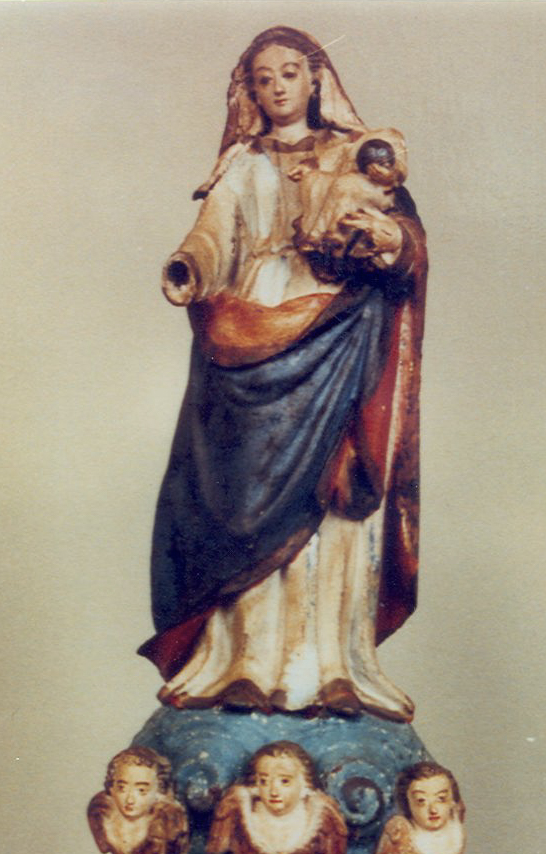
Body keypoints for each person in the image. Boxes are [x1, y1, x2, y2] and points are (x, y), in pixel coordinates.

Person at [139, 27, 427, 722]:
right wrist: (190, 266)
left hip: (336, 330)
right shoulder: (243, 164)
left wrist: (387, 242)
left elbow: (404, 241)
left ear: (316, 79)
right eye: (263, 78)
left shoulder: (354, 155)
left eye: (289, 73)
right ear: (249, 92)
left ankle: (329, 665)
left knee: (329, 499)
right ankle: (241, 664)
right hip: (250, 329)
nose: (277, 88)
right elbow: (214, 234)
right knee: (242, 499)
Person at [206, 741, 348, 854]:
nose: (273, 791)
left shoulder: (318, 815)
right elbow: (214, 850)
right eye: (264, 781)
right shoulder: (244, 814)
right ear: (255, 786)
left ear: (305, 785)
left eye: (284, 781)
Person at [291, 129, 407, 264]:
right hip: (349, 182)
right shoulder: (338, 142)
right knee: (313, 179)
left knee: (345, 185)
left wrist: (390, 175)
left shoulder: (388, 136)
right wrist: (310, 165)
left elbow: (399, 170)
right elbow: (330, 160)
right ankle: (311, 233)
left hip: (377, 189)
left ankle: (328, 235)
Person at [87, 746, 188, 854]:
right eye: (122, 788)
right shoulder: (102, 814)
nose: (130, 800)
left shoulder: (166, 827)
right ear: (111, 788)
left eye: (141, 790)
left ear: (159, 792)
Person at [373, 761, 466, 854]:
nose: (433, 809)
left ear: (452, 801)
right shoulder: (400, 834)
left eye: (441, 798)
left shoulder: (455, 833)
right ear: (408, 804)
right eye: (421, 801)